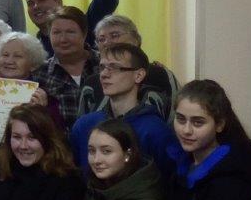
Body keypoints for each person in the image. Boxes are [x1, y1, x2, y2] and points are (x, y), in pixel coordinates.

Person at [71, 43, 178, 178]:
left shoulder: (155, 131)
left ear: (138, 75)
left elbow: (166, 180)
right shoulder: (84, 125)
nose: (104, 74)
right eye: (102, 67)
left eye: (114, 67)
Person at [0, 31, 57, 181]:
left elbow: (55, 139)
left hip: (29, 176)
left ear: (32, 64)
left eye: (18, 56)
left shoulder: (43, 97)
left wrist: (42, 112)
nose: (9, 60)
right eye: (5, 55)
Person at [79, 15, 180, 122]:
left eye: (114, 35)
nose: (107, 43)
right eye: (101, 39)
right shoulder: (91, 83)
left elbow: (176, 115)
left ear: (135, 39)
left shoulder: (161, 75)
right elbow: (82, 123)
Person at [34, 6, 99, 130]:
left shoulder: (104, 65)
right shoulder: (39, 73)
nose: (63, 39)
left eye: (70, 32)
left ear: (84, 34)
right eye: (56, 33)